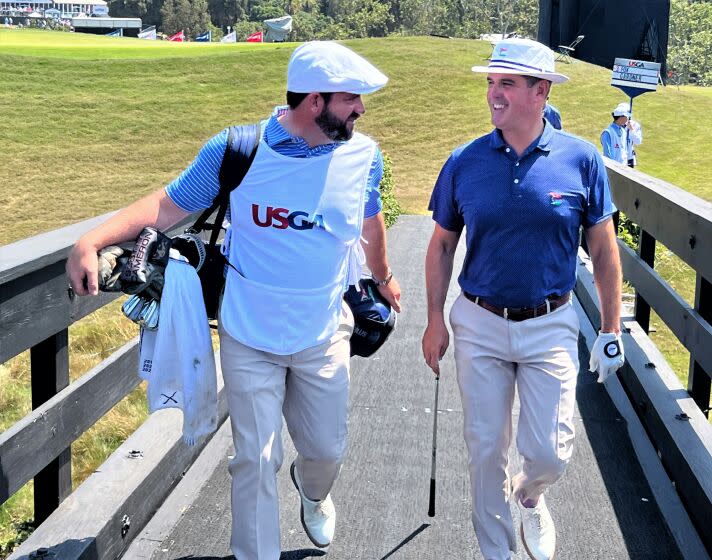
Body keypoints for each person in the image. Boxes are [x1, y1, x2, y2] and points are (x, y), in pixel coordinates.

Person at [67, 41, 402, 560]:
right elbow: (164, 205)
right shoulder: (237, 151)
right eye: (351, 98)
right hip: (250, 333)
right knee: (254, 460)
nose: (361, 108)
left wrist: (382, 275)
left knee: (325, 451)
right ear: (315, 101)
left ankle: (312, 490)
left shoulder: (365, 155)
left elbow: (369, 217)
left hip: (323, 331)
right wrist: (90, 241)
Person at [422, 38, 624, 560]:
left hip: (550, 322)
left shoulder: (582, 159)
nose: (493, 93)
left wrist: (611, 327)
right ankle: (498, 553)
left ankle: (530, 495)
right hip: (479, 321)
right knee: (485, 450)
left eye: (506, 83)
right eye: (491, 82)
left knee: (551, 454)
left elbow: (602, 250)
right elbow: (442, 244)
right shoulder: (463, 161)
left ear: (541, 91)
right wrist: (433, 321)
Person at [601, 101, 639, 166]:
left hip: (623, 168)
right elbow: (607, 155)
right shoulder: (607, 133)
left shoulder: (623, 131)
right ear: (621, 117)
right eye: (627, 117)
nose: (628, 119)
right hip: (612, 169)